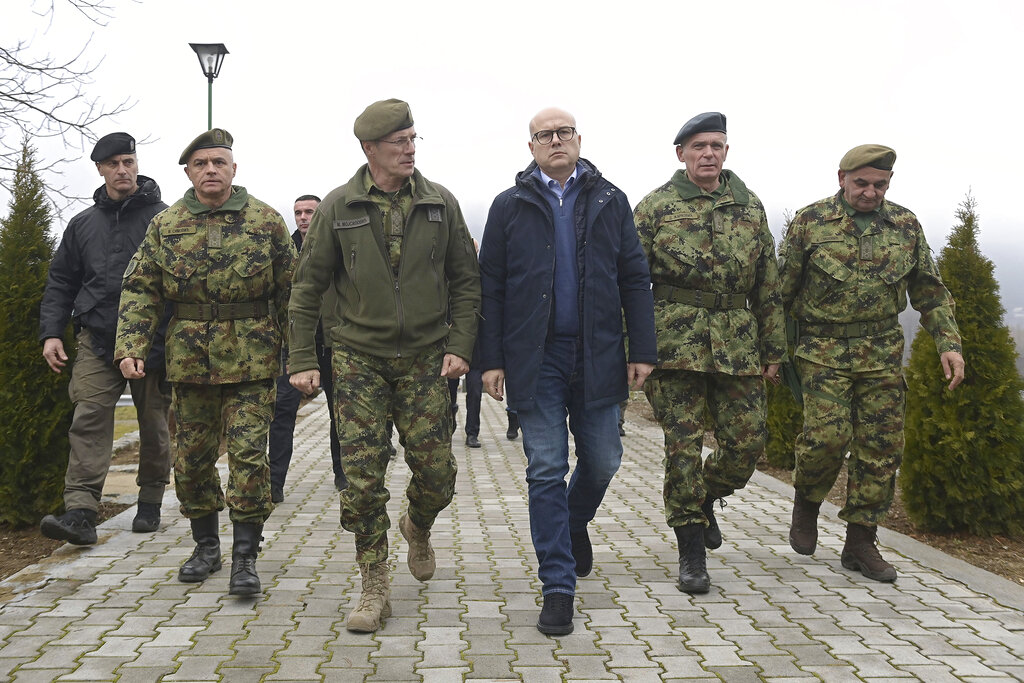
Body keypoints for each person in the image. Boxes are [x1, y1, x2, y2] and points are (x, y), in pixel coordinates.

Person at [288, 98, 479, 632]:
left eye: (414, 139)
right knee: (363, 480)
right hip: (358, 360)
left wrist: (460, 344)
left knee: (438, 473)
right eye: (399, 142)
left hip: (425, 359)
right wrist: (303, 358)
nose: (410, 150)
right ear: (370, 149)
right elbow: (306, 288)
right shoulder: (338, 206)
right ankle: (374, 583)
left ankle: (417, 525)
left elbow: (466, 281)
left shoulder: (440, 203)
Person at [478, 107, 657, 635]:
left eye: (563, 133)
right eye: (543, 136)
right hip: (537, 357)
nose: (555, 141)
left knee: (603, 459)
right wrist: (490, 359)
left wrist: (640, 348)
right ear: (530, 146)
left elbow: (635, 277)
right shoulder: (509, 206)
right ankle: (557, 584)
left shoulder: (610, 200)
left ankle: (574, 520)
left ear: (579, 139)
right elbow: (491, 284)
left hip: (599, 351)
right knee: (545, 466)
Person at [115, 128, 296, 596]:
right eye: (201, 163)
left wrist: (301, 357)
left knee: (249, 457)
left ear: (234, 169)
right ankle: (206, 546)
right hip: (190, 362)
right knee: (192, 460)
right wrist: (132, 345)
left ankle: (244, 556)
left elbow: (293, 294)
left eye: (219, 162)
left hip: (253, 360)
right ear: (189, 172)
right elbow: (142, 288)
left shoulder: (266, 221)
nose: (210, 169)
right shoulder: (167, 224)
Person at [779, 144, 964, 582]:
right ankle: (807, 501)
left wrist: (948, 343)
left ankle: (861, 540)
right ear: (841, 178)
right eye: (861, 183)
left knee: (881, 447)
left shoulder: (905, 225)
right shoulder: (811, 222)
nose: (869, 192)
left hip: (880, 352)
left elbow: (929, 290)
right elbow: (780, 291)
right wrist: (771, 351)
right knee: (827, 436)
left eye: (879, 184)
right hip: (822, 351)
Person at [633, 112, 786, 594]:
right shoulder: (655, 207)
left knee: (747, 444)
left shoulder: (749, 206)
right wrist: (630, 348)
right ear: (681, 153)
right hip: (672, 344)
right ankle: (690, 550)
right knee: (682, 445)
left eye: (717, 145)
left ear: (726, 151)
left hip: (737, 343)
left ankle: (703, 499)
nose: (708, 154)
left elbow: (768, 282)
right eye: (699, 146)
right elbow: (630, 283)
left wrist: (774, 349)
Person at [38, 132, 173, 545]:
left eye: (128, 161)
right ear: (99, 169)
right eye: (113, 163)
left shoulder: (166, 219)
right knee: (89, 418)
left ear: (137, 164)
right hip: (97, 339)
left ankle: (149, 500)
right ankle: (81, 513)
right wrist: (51, 334)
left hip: (154, 344)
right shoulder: (82, 225)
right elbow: (61, 281)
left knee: (153, 425)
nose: (122, 170)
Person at [268, 195, 348, 502]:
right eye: (298, 212)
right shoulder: (283, 251)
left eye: (310, 212)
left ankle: (342, 474)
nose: (303, 217)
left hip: (332, 343)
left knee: (339, 412)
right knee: (282, 412)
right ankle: (274, 482)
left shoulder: (338, 249)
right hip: (294, 345)